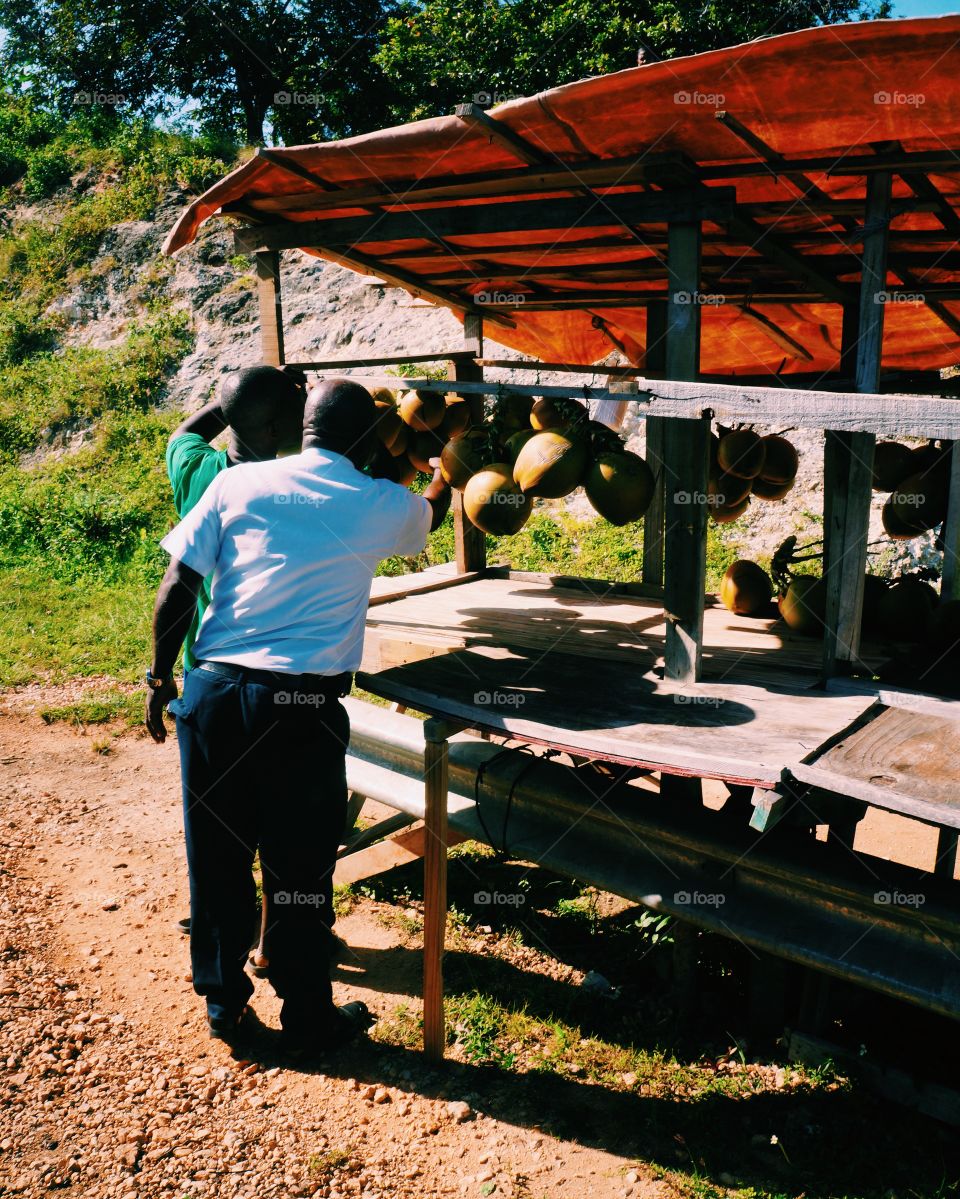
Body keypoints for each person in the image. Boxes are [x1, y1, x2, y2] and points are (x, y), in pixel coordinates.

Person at [145, 379, 451, 1052]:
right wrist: (447, 467)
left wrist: (156, 675)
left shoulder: (235, 483)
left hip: (216, 698)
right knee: (301, 867)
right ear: (368, 439)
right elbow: (432, 510)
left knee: (218, 861)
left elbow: (179, 585)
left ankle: (225, 1008)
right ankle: (307, 1011)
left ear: (301, 428)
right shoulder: (376, 502)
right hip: (302, 713)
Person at [166, 365, 304, 965]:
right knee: (281, 827)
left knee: (219, 830)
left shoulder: (198, 470)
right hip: (274, 682)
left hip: (206, 676)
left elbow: (183, 434)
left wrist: (240, 401)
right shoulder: (289, 492)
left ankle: (222, 930)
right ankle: (276, 942)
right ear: (277, 424)